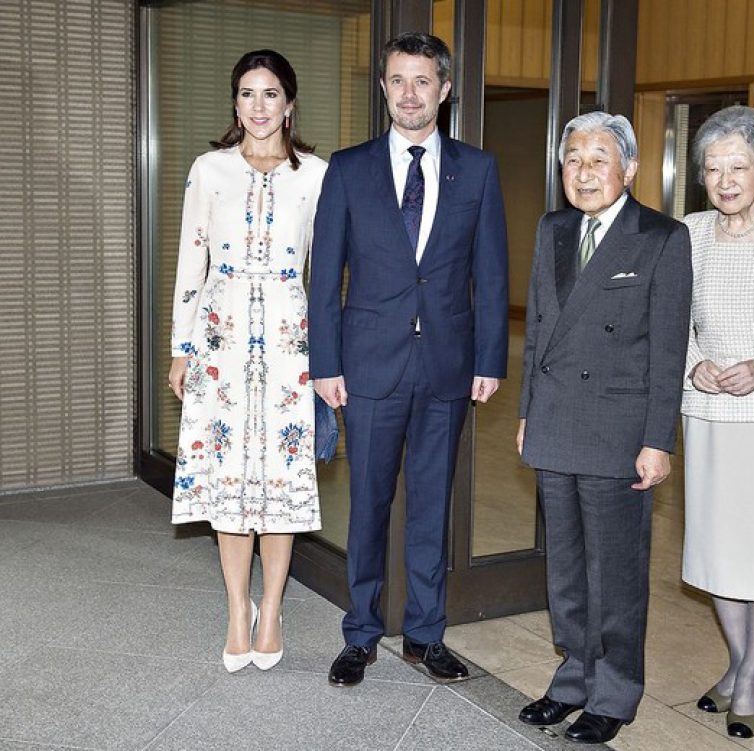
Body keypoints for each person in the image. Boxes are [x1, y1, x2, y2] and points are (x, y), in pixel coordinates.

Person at [308, 32, 508, 687]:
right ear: (385, 88)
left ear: (444, 89)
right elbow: (325, 276)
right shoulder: (349, 167)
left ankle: (425, 635)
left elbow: (491, 272)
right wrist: (327, 363)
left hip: (447, 367)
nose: (410, 94)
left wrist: (490, 357)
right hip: (366, 367)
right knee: (367, 505)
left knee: (431, 507)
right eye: (398, 80)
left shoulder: (476, 170)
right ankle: (360, 634)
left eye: (423, 81)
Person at [516, 112, 692, 744]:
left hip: (619, 429)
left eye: (598, 159)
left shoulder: (661, 238)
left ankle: (614, 691)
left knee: (613, 570)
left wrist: (658, 440)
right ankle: (571, 678)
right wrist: (528, 413)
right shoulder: (553, 228)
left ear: (631, 170)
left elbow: (669, 349)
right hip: (556, 419)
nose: (583, 172)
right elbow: (538, 328)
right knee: (564, 566)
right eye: (573, 160)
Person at [169, 49, 326, 673]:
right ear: (234, 104)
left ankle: (274, 606)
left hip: (291, 345)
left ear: (289, 104)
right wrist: (181, 349)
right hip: (220, 342)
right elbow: (191, 262)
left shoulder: (316, 175)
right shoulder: (209, 170)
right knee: (230, 487)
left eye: (269, 94)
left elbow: (329, 267)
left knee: (281, 483)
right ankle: (238, 609)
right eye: (246, 94)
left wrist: (330, 356)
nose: (257, 106)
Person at [681, 105, 754, 739]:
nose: (725, 180)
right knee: (719, 550)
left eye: (739, 166)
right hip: (708, 414)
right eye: (713, 168)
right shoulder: (690, 232)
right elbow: (669, 321)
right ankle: (737, 663)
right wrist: (694, 365)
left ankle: (751, 675)